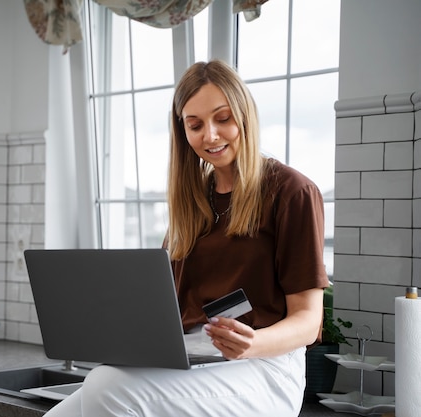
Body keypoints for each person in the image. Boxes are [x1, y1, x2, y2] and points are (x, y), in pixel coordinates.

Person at [44, 59, 330, 417]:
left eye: (223, 119)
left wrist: (253, 343)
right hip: (193, 361)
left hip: (264, 368)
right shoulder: (193, 201)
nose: (209, 135)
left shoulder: (292, 191)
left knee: (105, 385)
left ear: (245, 116)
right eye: (194, 125)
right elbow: (169, 310)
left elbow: (308, 322)